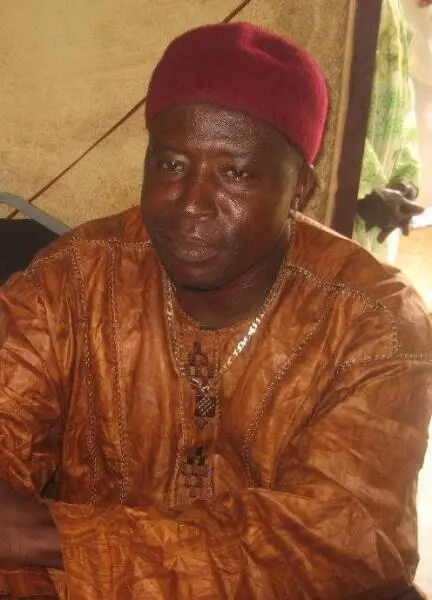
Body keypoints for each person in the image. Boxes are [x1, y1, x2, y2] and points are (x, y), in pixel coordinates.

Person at [0, 22, 431, 600]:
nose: (192, 204)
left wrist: (55, 539)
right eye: (172, 165)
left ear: (300, 188)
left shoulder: (374, 323)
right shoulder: (74, 278)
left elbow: (342, 542)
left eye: (236, 173)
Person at [354, 0, 425, 262]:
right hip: (341, 203)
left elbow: (399, 83)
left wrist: (405, 180)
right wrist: (363, 192)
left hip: (381, 212)